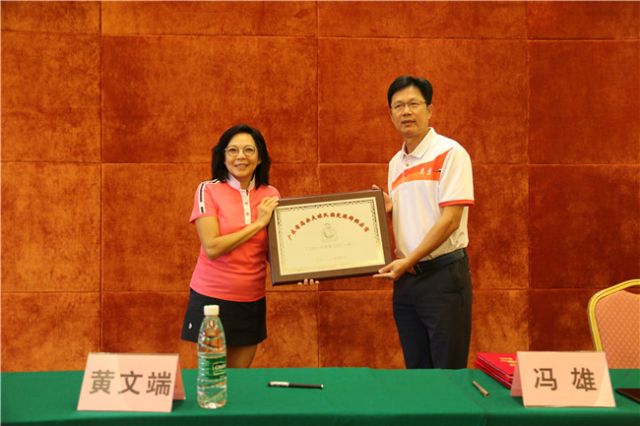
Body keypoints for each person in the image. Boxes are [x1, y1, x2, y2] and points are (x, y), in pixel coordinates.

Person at [373, 75, 474, 369]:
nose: (406, 112)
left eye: (414, 104)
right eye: (398, 106)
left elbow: (451, 220)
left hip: (443, 276)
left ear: (430, 109)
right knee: (417, 373)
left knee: (447, 373)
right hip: (407, 280)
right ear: (390, 114)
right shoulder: (396, 163)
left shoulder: (450, 153)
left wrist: (409, 260)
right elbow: (417, 211)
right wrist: (389, 208)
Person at [181, 123, 281, 368]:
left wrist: (301, 271)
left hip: (252, 299)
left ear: (260, 158)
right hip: (212, 299)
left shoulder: (271, 194)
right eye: (233, 150)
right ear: (223, 156)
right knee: (213, 377)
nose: (240, 157)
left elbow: (275, 252)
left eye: (249, 150)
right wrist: (259, 224)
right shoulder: (208, 190)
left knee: (240, 379)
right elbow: (212, 247)